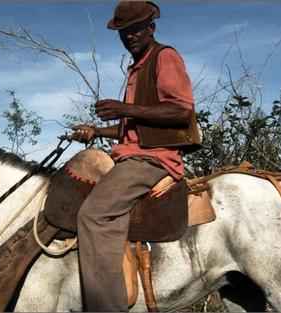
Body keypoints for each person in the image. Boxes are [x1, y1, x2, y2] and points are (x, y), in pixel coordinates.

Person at [71, 1, 201, 311]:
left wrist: (124, 108)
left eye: (136, 29)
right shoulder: (137, 68)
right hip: (133, 155)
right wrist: (96, 132)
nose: (130, 36)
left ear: (151, 28)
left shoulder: (164, 57)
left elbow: (182, 111)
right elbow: (136, 128)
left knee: (93, 215)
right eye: (124, 32)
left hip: (152, 160)